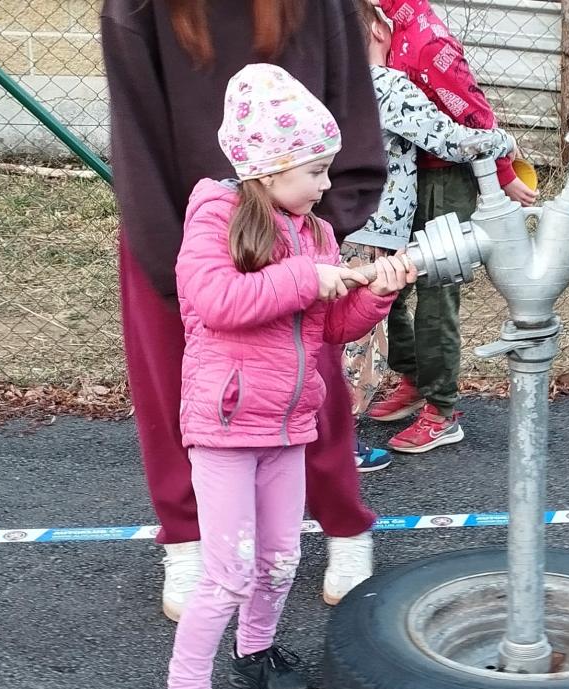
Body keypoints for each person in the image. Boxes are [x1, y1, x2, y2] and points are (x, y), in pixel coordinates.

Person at [154, 63, 415, 689]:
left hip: (289, 424)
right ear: (268, 170)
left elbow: (331, 329)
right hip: (226, 426)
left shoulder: (317, 233)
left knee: (278, 558)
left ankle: (256, 648)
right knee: (229, 570)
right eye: (316, 171)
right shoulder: (215, 215)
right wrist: (305, 277)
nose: (327, 185)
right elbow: (216, 301)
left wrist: (376, 292)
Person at [100, 0, 389, 616]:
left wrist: (317, 230)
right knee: (178, 392)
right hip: (175, 233)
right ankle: (188, 541)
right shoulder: (137, 7)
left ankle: (344, 525)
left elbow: (352, 108)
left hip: (292, 222)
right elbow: (135, 137)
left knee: (307, 380)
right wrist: (177, 266)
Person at [342, 0, 517, 466]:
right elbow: (449, 137)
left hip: (350, 221)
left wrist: (499, 169)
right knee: (361, 337)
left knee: (361, 317)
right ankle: (338, 439)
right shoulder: (385, 82)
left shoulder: (338, 79)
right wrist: (506, 143)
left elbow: (464, 111)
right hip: (377, 228)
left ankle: (431, 402)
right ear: (377, 31)